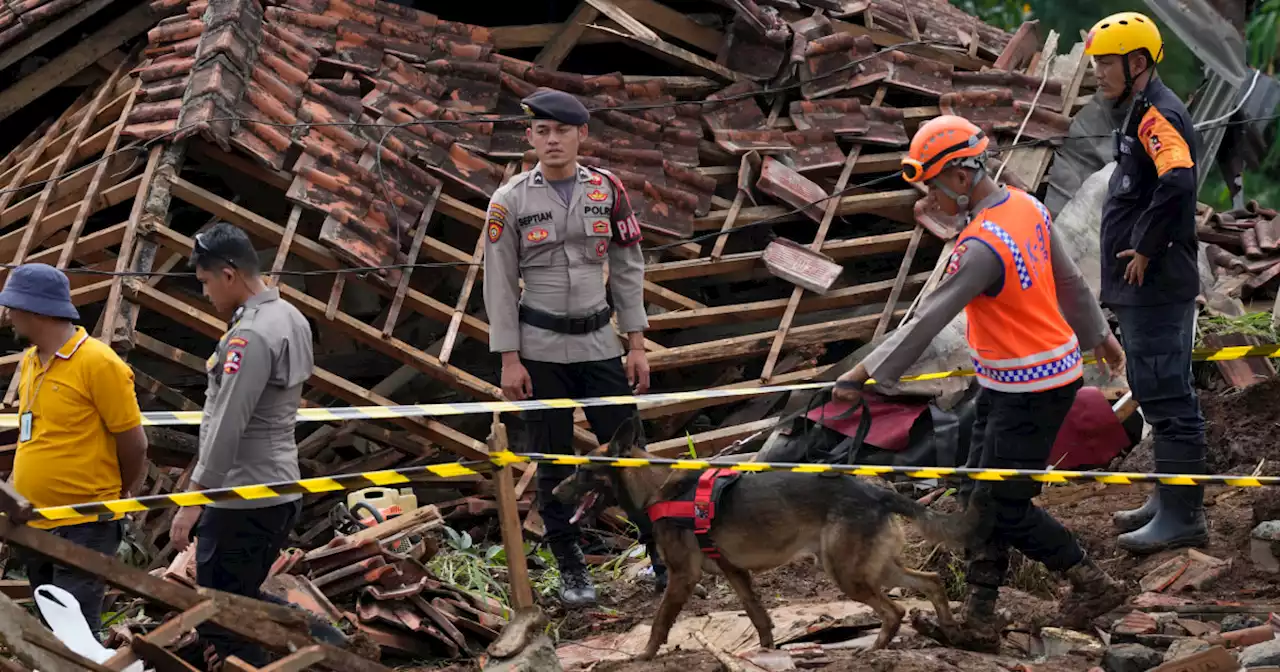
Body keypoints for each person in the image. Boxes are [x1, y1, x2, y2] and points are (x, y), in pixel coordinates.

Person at [832, 116, 1129, 650]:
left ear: (962, 176)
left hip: (1031, 391)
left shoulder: (980, 248)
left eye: (931, 186)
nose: (928, 199)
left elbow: (925, 318)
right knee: (976, 489)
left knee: (1004, 506)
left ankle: (1093, 582)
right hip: (1019, 380)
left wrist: (863, 375)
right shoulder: (1025, 206)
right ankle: (979, 614)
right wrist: (1100, 336)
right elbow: (1067, 281)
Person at [483, 87, 666, 607]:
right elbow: (497, 283)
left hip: (600, 344)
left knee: (630, 454)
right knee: (554, 462)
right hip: (539, 350)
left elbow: (629, 268)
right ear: (530, 137)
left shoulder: (608, 190)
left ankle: (661, 554)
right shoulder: (510, 200)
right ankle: (571, 568)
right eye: (542, 131)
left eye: (562, 130)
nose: (552, 140)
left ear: (581, 134)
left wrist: (636, 343)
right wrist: (509, 359)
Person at [1084, 12, 1209, 555]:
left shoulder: (1159, 115)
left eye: (1105, 63)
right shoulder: (1139, 110)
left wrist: (1148, 246)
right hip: (1144, 290)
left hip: (1157, 285)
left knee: (1168, 395)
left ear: (1138, 62)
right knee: (1157, 395)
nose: (1096, 73)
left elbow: (1179, 180)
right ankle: (1166, 501)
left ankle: (1182, 517)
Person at [168, 222, 313, 667]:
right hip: (275, 489)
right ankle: (319, 644)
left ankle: (311, 650)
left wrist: (194, 499)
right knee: (241, 603)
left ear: (228, 274)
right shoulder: (290, 316)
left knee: (220, 615)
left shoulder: (248, 336)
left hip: (242, 498)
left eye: (207, 281)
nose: (207, 293)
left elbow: (228, 424)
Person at [1, 263, 147, 639]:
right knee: (52, 631)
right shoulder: (32, 361)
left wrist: (117, 494)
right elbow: (35, 437)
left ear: (35, 310)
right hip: (37, 522)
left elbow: (134, 443)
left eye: (12, 307)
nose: (8, 315)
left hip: (85, 523)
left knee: (76, 632)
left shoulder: (98, 363)